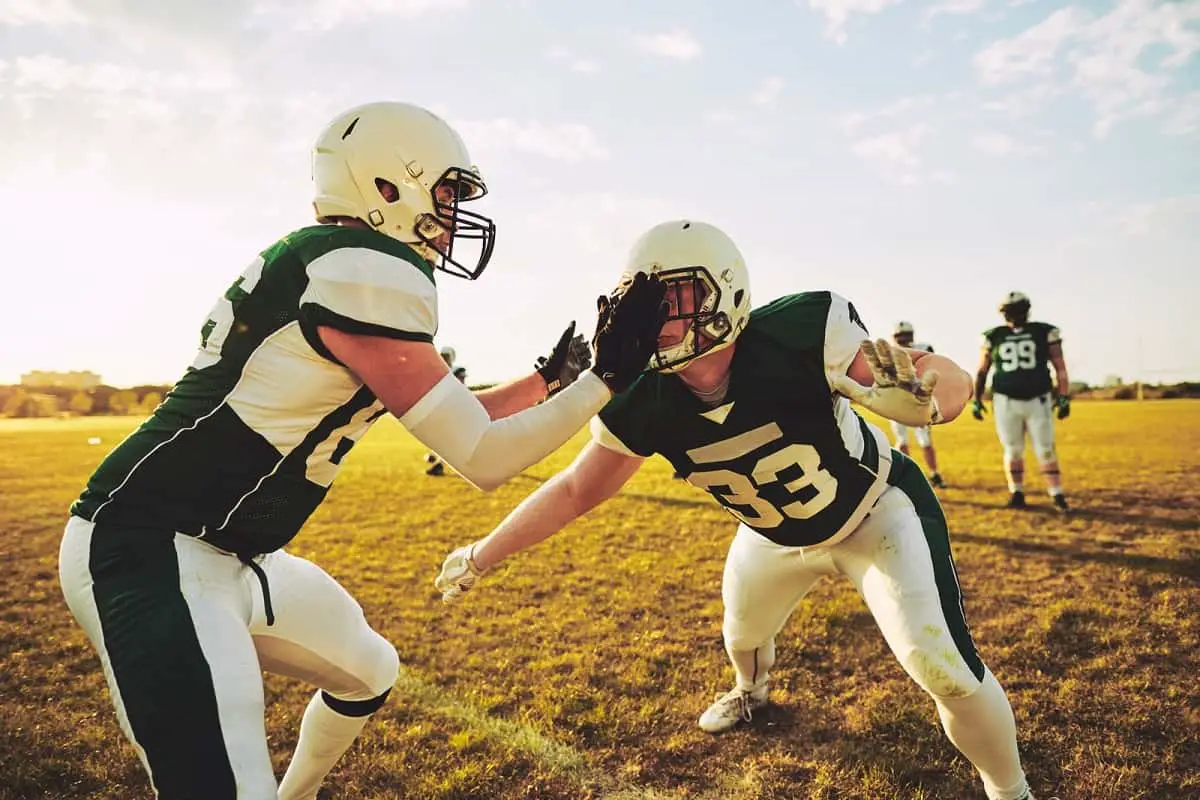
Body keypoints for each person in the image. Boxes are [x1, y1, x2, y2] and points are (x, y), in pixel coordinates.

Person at [57, 100, 666, 800]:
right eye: (447, 192)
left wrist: (546, 383)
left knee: (368, 671)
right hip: (151, 549)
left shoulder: (335, 265)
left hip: (231, 551)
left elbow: (456, 417)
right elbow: (483, 457)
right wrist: (605, 380)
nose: (454, 214)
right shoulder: (364, 268)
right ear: (385, 188)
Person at [437, 220, 1038, 800]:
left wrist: (935, 386)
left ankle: (1011, 792)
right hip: (769, 533)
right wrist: (480, 555)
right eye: (643, 303)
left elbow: (920, 373)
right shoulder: (639, 395)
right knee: (742, 633)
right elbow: (574, 491)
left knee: (941, 665)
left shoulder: (801, 331)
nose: (657, 320)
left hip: (875, 511)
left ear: (723, 289)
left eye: (673, 296)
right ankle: (751, 693)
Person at [972, 291, 1071, 512]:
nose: (1013, 315)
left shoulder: (1043, 332)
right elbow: (982, 370)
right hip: (1005, 399)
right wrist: (976, 399)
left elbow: (1060, 367)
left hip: (1038, 397)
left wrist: (1063, 395)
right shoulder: (994, 335)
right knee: (1013, 449)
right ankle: (1016, 491)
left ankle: (1056, 493)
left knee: (1045, 448)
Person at [890, 321, 946, 488]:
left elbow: (934, 370)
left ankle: (934, 474)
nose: (903, 339)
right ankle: (907, 476)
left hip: (919, 403)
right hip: (897, 402)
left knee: (925, 441)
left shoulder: (922, 349)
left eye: (906, 335)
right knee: (902, 440)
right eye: (900, 336)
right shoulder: (889, 354)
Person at [425, 347, 466, 476]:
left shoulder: (457, 371)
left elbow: (460, 388)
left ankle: (439, 464)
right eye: (442, 355)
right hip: (440, 409)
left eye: (446, 356)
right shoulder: (435, 370)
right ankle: (435, 456)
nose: (443, 358)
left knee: (449, 440)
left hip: (454, 408)